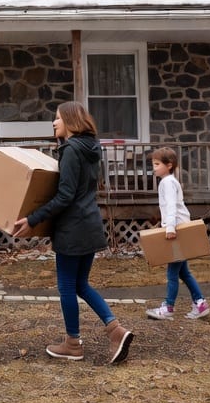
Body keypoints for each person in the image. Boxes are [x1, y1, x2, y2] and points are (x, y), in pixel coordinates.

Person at [12, 101, 133, 364]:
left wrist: (33, 218)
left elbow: (65, 195)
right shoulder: (91, 148)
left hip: (73, 228)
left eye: (57, 118)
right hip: (90, 224)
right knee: (81, 284)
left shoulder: (70, 150)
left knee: (67, 286)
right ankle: (115, 330)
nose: (54, 123)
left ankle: (73, 344)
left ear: (70, 121)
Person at [145, 146, 210, 321]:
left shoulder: (167, 183)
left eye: (157, 164)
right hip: (179, 228)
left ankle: (168, 307)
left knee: (173, 273)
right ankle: (200, 303)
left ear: (170, 165)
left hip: (178, 231)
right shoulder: (169, 181)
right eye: (154, 164)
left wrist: (170, 228)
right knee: (183, 272)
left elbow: (172, 206)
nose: (155, 167)